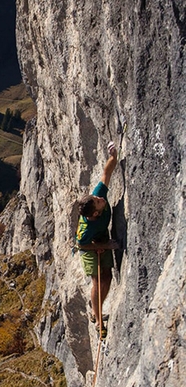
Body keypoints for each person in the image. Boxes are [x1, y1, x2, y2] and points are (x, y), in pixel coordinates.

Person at [76, 142, 119, 338]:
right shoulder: (86, 229)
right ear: (95, 212)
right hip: (88, 247)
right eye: (98, 201)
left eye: (98, 197)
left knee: (107, 277)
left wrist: (113, 157)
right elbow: (81, 244)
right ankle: (99, 320)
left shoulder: (97, 197)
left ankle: (96, 309)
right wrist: (102, 245)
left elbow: (106, 174)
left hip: (100, 238)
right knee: (97, 280)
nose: (101, 198)